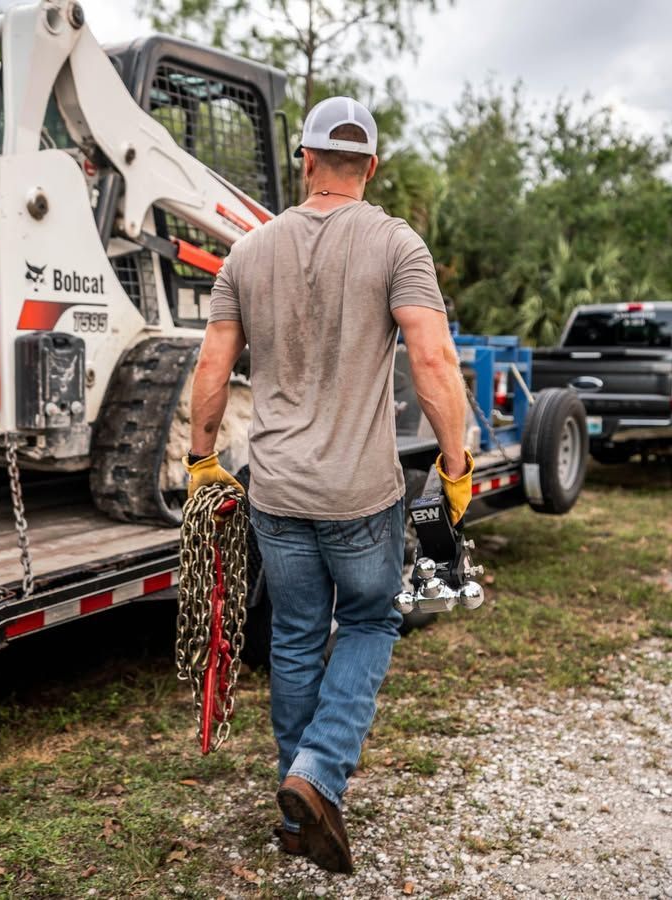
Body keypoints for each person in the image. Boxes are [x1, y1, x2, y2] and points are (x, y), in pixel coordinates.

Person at [184, 96, 472, 875]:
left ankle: (296, 810)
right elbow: (435, 361)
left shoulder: (249, 252)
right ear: (371, 168)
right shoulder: (396, 243)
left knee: (296, 636)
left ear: (307, 160)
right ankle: (316, 774)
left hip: (276, 493)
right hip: (360, 492)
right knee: (373, 623)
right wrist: (456, 466)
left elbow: (212, 368)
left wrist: (201, 460)